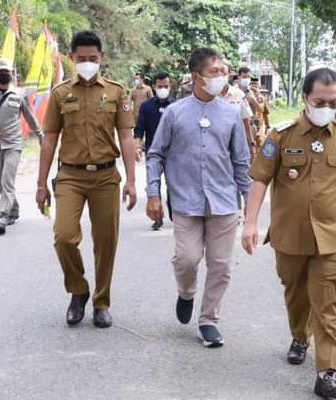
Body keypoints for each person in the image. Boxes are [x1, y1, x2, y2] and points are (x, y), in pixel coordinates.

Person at [241, 68, 336, 399]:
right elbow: (260, 180)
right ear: (305, 98)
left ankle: (327, 372)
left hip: (332, 237)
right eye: (320, 101)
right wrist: (250, 223)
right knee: (296, 295)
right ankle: (300, 336)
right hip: (290, 235)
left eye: (333, 102)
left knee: (327, 303)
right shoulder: (281, 136)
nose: (327, 107)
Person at [146, 48, 251, 348]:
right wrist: (153, 193)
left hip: (223, 201)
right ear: (196, 76)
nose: (221, 77)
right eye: (214, 72)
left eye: (223, 71)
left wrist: (251, 204)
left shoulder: (231, 113)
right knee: (187, 259)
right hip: (185, 201)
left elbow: (241, 161)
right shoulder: (175, 113)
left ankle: (208, 321)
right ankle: (186, 292)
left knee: (221, 265)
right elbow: (155, 155)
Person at [36, 31, 138, 329]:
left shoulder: (117, 92)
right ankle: (78, 290)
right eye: (81, 58)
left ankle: (101, 302)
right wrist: (41, 185)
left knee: (106, 243)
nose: (88, 63)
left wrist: (132, 180)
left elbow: (126, 137)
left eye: (93, 58)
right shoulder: (60, 93)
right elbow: (49, 139)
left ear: (101, 57)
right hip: (70, 175)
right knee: (64, 237)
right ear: (71, 57)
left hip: (106, 177)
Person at [0, 58, 42, 235]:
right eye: (0, 71)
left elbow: (30, 116)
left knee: (7, 180)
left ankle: (2, 216)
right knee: (0, 182)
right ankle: (14, 211)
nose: (3, 74)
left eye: (6, 71)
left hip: (13, 144)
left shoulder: (20, 95)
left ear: (11, 74)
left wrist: (40, 134)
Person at [134, 70, 175, 230]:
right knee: (153, 185)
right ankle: (157, 217)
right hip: (153, 152)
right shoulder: (146, 106)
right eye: (160, 86)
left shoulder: (176, 106)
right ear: (154, 87)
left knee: (174, 185)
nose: (163, 89)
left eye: (165, 86)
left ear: (170, 86)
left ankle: (175, 213)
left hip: (174, 153)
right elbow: (139, 129)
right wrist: (137, 146)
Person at [250, 78, 270, 151]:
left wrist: (267, 125)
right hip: (249, 126)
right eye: (252, 85)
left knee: (260, 145)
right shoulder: (245, 97)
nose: (254, 87)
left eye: (256, 85)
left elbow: (265, 113)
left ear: (259, 86)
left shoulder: (262, 98)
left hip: (259, 126)